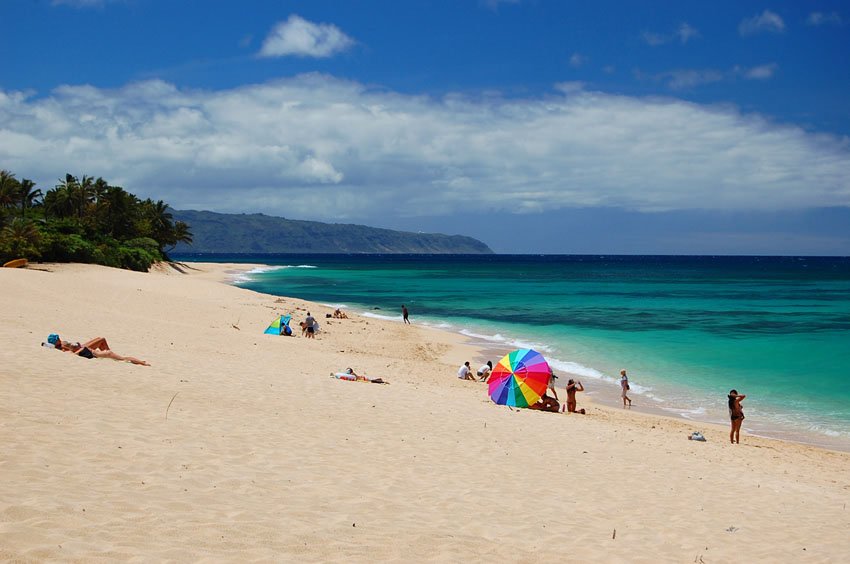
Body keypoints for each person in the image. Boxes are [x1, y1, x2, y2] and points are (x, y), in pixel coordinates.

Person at [52, 335, 149, 366]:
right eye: (57, 339)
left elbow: (76, 350)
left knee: (123, 358)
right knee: (123, 358)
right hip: (100, 353)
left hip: (100, 353)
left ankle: (142, 363)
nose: (59, 339)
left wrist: (77, 352)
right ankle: (142, 362)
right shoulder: (63, 346)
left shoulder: (63, 346)